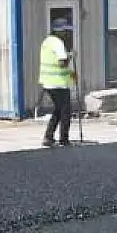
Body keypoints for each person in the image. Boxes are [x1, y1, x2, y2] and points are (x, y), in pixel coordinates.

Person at [40, 18, 76, 147]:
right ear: (60, 31)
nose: (67, 33)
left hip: (48, 82)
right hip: (59, 83)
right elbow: (62, 63)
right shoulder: (58, 43)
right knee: (65, 111)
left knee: (58, 110)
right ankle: (64, 139)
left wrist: (72, 74)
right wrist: (70, 57)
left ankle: (48, 137)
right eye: (66, 30)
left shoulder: (47, 41)